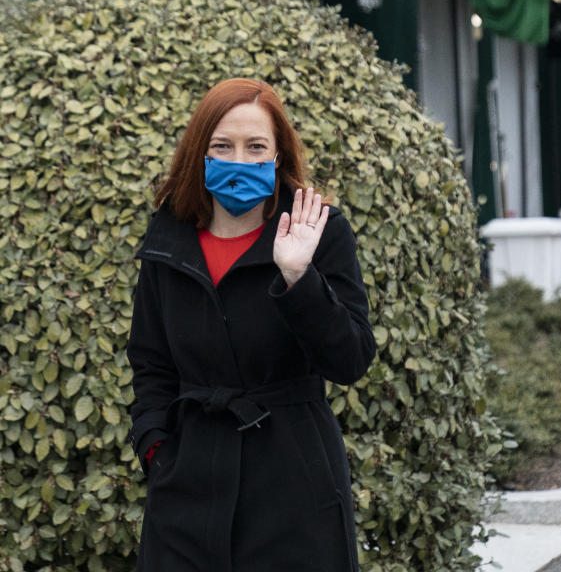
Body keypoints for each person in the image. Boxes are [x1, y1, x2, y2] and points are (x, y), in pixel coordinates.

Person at [126, 78, 376, 571]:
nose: (239, 160)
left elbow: (350, 359)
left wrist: (299, 276)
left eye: (255, 146)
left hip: (294, 488)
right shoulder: (169, 237)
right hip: (186, 488)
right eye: (223, 146)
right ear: (200, 153)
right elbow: (150, 360)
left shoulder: (321, 232)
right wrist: (157, 448)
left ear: (278, 156)